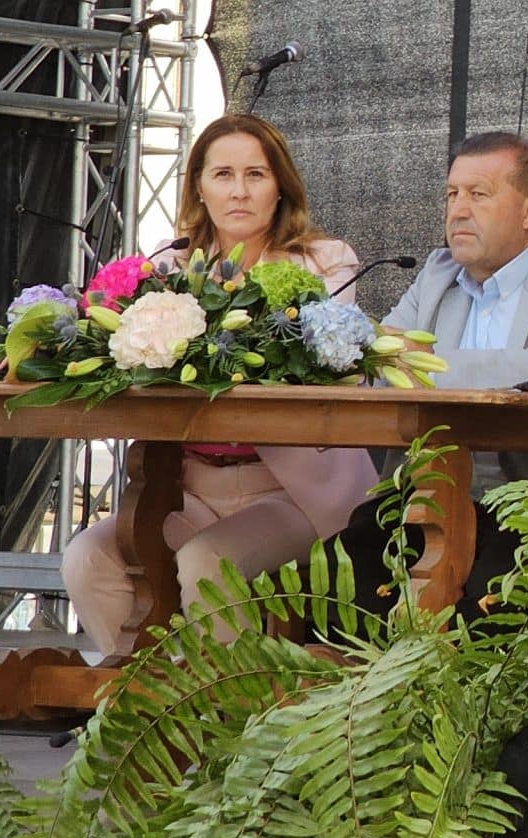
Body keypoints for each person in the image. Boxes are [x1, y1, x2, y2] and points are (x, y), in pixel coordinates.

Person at [61, 113, 374, 656]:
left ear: (281, 187)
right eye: (223, 175)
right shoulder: (168, 263)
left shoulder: (326, 262)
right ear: (199, 188)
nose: (239, 191)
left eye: (256, 174)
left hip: (291, 493)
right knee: (85, 560)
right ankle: (153, 708)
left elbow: (307, 365)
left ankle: (224, 721)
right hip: (188, 488)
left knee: (206, 562)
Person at [330, 131, 528, 603]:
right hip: (423, 495)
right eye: (452, 194)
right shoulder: (438, 272)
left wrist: (423, 365)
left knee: (484, 603)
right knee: (334, 581)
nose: (458, 210)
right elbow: (377, 360)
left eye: (478, 194)